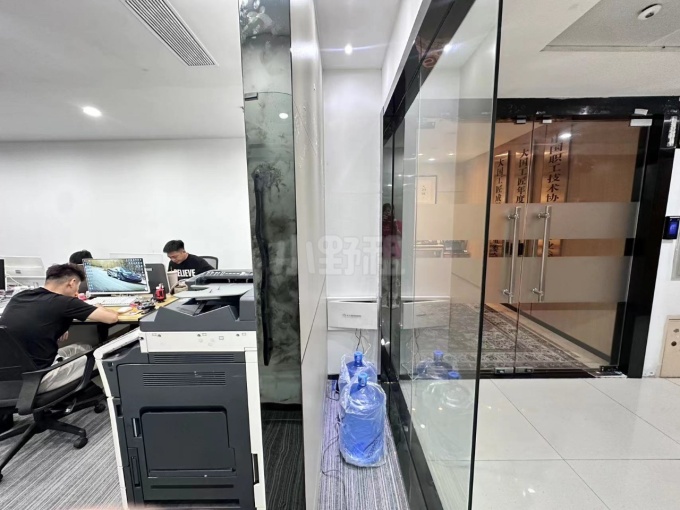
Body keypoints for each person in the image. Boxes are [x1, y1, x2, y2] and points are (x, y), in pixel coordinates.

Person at [0, 263, 119, 393]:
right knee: (105, 356)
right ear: (72, 283)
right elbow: (111, 318)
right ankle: (97, 394)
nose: (76, 293)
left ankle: (82, 393)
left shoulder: (21, 296)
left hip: (8, 377)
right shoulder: (66, 302)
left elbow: (35, 319)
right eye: (77, 288)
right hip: (39, 378)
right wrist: (99, 307)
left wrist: (60, 326)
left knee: (82, 348)